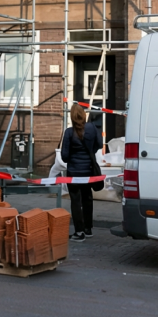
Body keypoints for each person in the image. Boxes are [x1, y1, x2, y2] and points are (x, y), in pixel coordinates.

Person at [60, 104, 102, 242]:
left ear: (72, 117)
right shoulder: (92, 128)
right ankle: (88, 228)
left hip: (74, 172)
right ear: (84, 115)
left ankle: (79, 232)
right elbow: (99, 145)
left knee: (76, 201)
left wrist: (74, 155)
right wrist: (89, 152)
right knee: (87, 197)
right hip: (89, 170)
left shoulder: (68, 132)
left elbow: (64, 156)